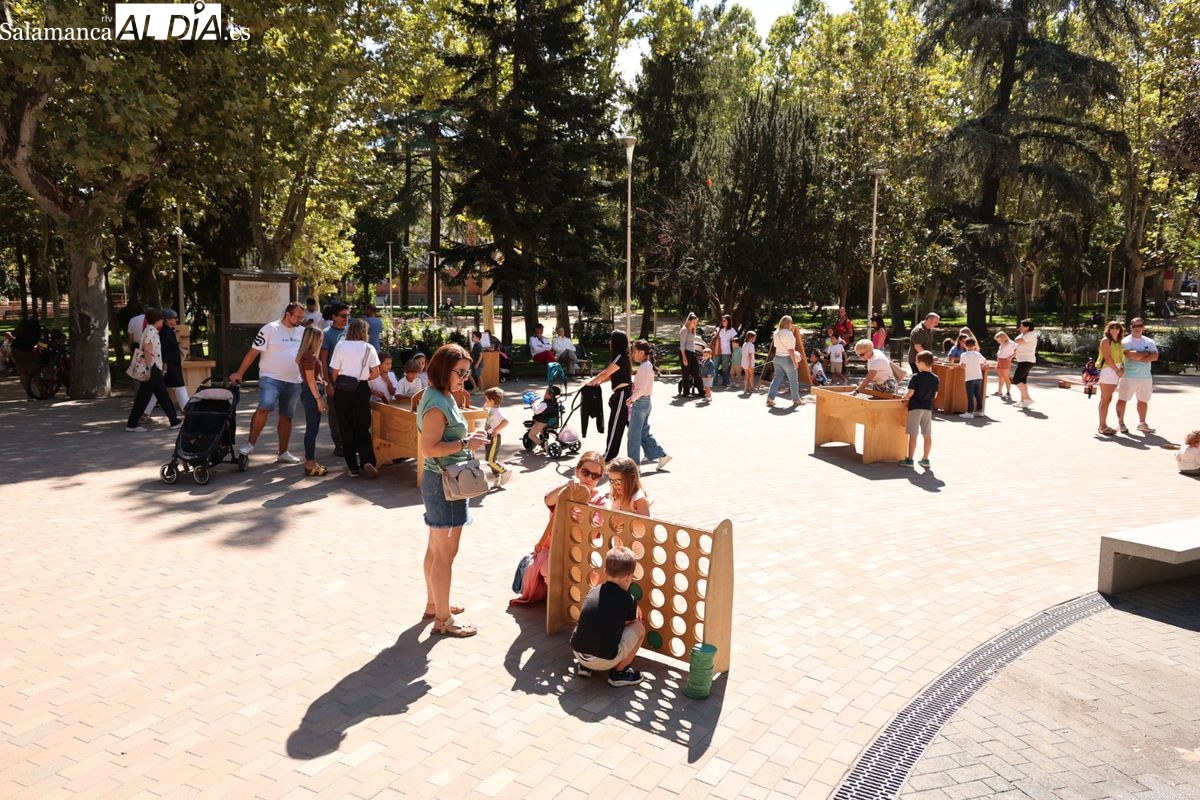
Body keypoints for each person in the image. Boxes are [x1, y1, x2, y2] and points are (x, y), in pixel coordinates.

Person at [416, 343, 489, 636]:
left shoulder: (441, 395)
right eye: (460, 372)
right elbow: (428, 448)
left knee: (436, 549)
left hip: (445, 481)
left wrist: (469, 437)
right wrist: (465, 444)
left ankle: (435, 604)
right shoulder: (436, 401)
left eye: (466, 372)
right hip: (444, 483)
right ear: (444, 369)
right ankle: (443, 620)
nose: (464, 377)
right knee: (446, 553)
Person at [511, 451, 607, 605]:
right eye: (585, 472)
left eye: (595, 476)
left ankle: (574, 602)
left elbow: (595, 532)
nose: (589, 478)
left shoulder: (599, 500)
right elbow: (548, 499)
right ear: (577, 471)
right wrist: (566, 487)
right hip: (552, 549)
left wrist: (585, 521)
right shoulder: (565, 488)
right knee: (554, 572)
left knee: (594, 574)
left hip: (582, 551)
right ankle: (558, 600)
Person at [230, 302, 306, 461]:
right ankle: (250, 444)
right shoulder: (270, 329)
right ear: (288, 314)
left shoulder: (303, 331)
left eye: (302, 317)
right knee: (264, 406)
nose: (300, 320)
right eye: (298, 317)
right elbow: (253, 353)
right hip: (270, 377)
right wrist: (239, 373)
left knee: (287, 416)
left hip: (294, 380)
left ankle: (283, 452)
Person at [569, 545, 647, 687]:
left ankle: (586, 667)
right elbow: (630, 622)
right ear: (629, 577)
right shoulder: (627, 599)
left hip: (578, 653)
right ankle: (619, 673)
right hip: (604, 660)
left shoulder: (593, 591)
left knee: (590, 622)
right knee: (639, 628)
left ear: (605, 571)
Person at [329, 319, 382, 477]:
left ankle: (352, 467)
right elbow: (376, 373)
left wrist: (338, 383)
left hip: (343, 388)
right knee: (363, 425)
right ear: (364, 332)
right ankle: (367, 460)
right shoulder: (369, 348)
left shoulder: (340, 345)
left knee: (345, 426)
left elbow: (334, 371)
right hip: (361, 388)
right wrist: (362, 378)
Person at [125, 308, 181, 432]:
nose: (162, 321)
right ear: (158, 320)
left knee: (161, 395)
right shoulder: (150, 332)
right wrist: (150, 369)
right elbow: (148, 351)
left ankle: (173, 420)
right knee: (147, 396)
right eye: (161, 319)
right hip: (152, 367)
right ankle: (132, 423)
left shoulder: (151, 331)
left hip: (154, 367)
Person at [586, 330, 632, 463]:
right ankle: (655, 451)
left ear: (616, 342)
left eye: (612, 340)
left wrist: (592, 382)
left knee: (615, 426)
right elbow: (612, 376)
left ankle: (609, 456)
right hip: (622, 394)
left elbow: (606, 373)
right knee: (633, 426)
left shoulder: (620, 358)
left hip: (623, 395)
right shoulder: (620, 357)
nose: (610, 342)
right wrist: (597, 382)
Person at [626, 339, 671, 470]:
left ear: (641, 352)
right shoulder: (646, 365)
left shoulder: (645, 367)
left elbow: (641, 389)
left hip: (640, 402)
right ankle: (662, 455)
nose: (633, 354)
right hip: (644, 402)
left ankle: (634, 465)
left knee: (633, 435)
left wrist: (631, 399)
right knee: (643, 433)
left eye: (634, 352)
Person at [1115, 317, 1158, 434]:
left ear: (1143, 327)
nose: (1137, 328)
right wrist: (1146, 354)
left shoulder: (1149, 342)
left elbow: (1155, 357)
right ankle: (1120, 423)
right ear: (1131, 327)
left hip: (1145, 377)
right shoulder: (1126, 341)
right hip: (1128, 376)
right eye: (1134, 326)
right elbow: (1130, 355)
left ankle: (1142, 423)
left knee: (1143, 401)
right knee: (1122, 399)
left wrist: (1139, 355)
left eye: (1139, 326)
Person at [296, 326, 329, 477]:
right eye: (320, 338)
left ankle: (311, 462)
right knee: (312, 429)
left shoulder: (307, 354)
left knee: (313, 429)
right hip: (312, 393)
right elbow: (309, 380)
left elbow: (313, 378)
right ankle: (309, 463)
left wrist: (322, 381)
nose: (322, 341)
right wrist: (319, 399)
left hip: (312, 391)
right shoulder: (309, 356)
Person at [321, 303, 350, 457]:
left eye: (348, 316)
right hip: (334, 379)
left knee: (349, 412)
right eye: (343, 316)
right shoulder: (326, 334)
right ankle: (338, 444)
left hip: (350, 379)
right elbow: (323, 360)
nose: (346, 319)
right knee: (335, 413)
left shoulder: (351, 331)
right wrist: (328, 383)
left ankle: (350, 442)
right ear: (334, 317)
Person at [900, 351, 939, 468]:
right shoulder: (935, 378)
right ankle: (925, 459)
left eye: (917, 361)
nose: (916, 364)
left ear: (922, 363)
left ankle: (910, 459)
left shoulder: (916, 377)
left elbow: (911, 392)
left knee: (913, 434)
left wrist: (904, 397)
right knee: (927, 434)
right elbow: (935, 395)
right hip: (927, 408)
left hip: (915, 407)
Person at [1095, 322, 1125, 435]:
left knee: (1107, 399)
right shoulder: (1105, 340)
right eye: (1112, 328)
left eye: (1117, 328)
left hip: (1116, 370)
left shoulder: (1119, 342)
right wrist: (1118, 371)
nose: (1115, 330)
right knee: (1105, 399)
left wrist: (1122, 369)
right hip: (1108, 370)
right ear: (1108, 329)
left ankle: (1103, 425)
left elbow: (1123, 358)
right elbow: (1107, 358)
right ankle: (1102, 426)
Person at [766, 315, 802, 408]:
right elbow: (790, 350)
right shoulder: (788, 334)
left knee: (777, 378)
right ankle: (796, 399)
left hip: (777, 358)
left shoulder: (776, 333)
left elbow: (776, 347)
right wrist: (795, 362)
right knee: (793, 380)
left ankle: (770, 398)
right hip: (787, 359)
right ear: (788, 323)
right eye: (791, 322)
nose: (792, 324)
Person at [159, 309, 188, 412]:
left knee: (157, 389)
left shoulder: (168, 331)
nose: (176, 320)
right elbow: (165, 350)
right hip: (171, 365)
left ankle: (145, 413)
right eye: (174, 318)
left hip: (172, 363)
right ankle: (188, 410)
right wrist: (165, 364)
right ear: (167, 320)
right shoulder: (166, 333)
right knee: (180, 387)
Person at [482, 387, 511, 487]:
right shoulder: (493, 408)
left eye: (486, 400)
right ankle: (496, 478)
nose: (485, 402)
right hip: (488, 437)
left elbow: (506, 421)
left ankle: (505, 471)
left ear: (492, 401)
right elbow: (486, 408)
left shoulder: (498, 412)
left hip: (493, 438)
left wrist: (497, 430)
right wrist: (486, 406)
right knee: (491, 459)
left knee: (490, 460)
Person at [1012, 319, 1038, 409]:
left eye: (1022, 326)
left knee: (1016, 379)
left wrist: (1016, 340)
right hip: (1022, 360)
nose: (1020, 328)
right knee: (1023, 381)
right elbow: (1017, 345)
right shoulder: (1024, 334)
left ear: (1027, 327)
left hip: (1027, 360)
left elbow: (1018, 341)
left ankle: (1027, 398)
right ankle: (1023, 401)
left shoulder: (1031, 334)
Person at [958, 338, 987, 418]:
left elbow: (962, 366)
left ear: (965, 345)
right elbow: (984, 361)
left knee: (970, 395)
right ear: (975, 345)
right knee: (978, 394)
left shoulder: (964, 355)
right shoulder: (978, 354)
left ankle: (970, 412)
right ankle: (979, 410)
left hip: (969, 377)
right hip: (978, 376)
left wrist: (960, 366)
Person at [678, 313, 702, 397]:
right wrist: (684, 357)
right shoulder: (684, 330)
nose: (695, 324)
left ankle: (701, 392)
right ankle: (686, 392)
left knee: (697, 372)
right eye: (694, 322)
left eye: (696, 322)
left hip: (692, 352)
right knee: (686, 373)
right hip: (685, 353)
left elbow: (692, 340)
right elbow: (682, 345)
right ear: (689, 321)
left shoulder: (693, 329)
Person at [713, 315, 737, 387]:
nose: (722, 322)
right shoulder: (718, 329)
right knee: (715, 366)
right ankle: (714, 382)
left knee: (725, 367)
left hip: (726, 351)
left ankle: (725, 382)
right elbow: (714, 338)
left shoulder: (732, 330)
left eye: (724, 321)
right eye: (722, 320)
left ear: (728, 321)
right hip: (717, 351)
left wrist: (734, 352)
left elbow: (734, 341)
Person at [993, 330, 1016, 401]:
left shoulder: (1011, 343)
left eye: (999, 340)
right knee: (1000, 377)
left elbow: (1018, 350)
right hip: (1000, 360)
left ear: (1003, 338)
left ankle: (1008, 392)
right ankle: (999, 391)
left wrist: (1011, 357)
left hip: (1006, 361)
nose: (998, 342)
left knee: (1006, 377)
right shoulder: (1002, 343)